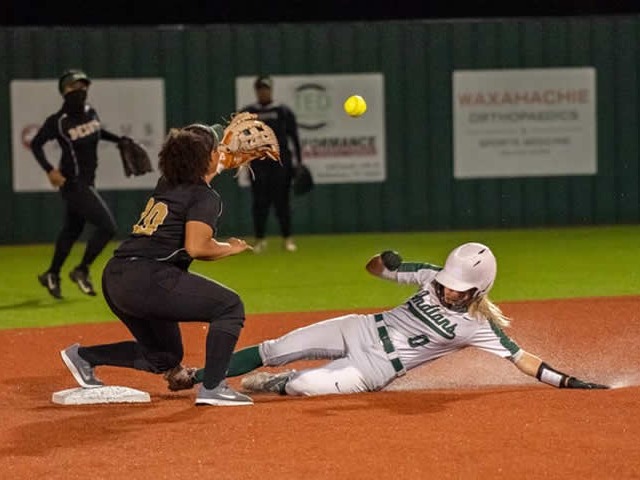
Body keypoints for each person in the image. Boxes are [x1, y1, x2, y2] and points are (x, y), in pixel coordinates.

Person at [185, 242, 609, 396]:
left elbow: (522, 359)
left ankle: (281, 383)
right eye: (447, 282)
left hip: (373, 370)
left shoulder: (478, 327)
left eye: (458, 287)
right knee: (275, 347)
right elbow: (376, 270)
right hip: (362, 327)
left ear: (478, 290)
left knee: (301, 385)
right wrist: (383, 259)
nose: (447, 289)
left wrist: (567, 381)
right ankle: (201, 376)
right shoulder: (430, 275)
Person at [59, 122, 262, 406]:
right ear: (206, 158)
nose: (222, 151)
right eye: (217, 148)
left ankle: (84, 357)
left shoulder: (167, 182)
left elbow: (194, 170)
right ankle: (214, 388)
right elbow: (197, 247)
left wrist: (218, 160)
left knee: (164, 357)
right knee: (230, 307)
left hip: (116, 276)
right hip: (149, 278)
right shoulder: (205, 197)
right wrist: (232, 248)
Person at [31, 68, 127, 299]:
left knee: (71, 231)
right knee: (107, 227)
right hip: (73, 183)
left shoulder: (90, 112)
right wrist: (49, 169)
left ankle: (52, 274)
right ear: (64, 91)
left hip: (87, 181)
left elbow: (96, 132)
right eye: (74, 86)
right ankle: (81, 270)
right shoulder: (58, 121)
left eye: (83, 86)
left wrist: (119, 140)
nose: (80, 90)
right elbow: (36, 144)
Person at [240, 75, 303, 253]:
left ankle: (287, 239)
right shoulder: (249, 113)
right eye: (260, 89)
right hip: (259, 165)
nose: (263, 92)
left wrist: (298, 163)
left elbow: (294, 138)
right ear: (256, 91)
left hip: (280, 164)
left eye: (266, 89)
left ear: (271, 90)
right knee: (260, 204)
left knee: (282, 204)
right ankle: (260, 240)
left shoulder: (282, 111)